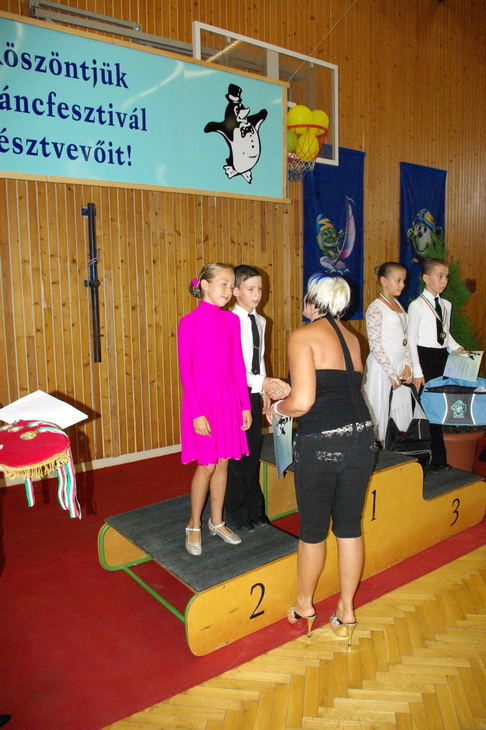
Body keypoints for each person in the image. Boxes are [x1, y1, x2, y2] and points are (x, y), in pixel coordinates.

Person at [268, 274, 376, 645]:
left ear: (313, 301)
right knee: (349, 527)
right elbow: (338, 390)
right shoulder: (353, 338)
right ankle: (346, 610)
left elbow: (303, 402)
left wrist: (276, 409)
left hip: (322, 444)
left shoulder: (303, 336)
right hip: (362, 440)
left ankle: (304, 606)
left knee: (313, 531)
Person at [178, 263, 252, 556]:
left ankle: (217, 521)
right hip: (201, 402)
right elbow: (186, 371)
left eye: (231, 285)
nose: (229, 291)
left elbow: (237, 365)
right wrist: (197, 412)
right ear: (204, 285)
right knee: (207, 464)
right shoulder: (188, 322)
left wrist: (244, 405)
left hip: (228, 400)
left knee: (223, 462)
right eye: (223, 284)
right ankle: (194, 524)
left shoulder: (231, 321)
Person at [224, 265, 291, 531]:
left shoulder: (260, 321)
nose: (257, 294)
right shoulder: (228, 322)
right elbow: (231, 368)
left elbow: (258, 359)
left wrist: (262, 390)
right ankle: (235, 511)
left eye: (260, 289)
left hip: (252, 393)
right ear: (235, 291)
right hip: (232, 395)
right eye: (250, 289)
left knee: (252, 453)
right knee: (236, 457)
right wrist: (262, 382)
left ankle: (255, 508)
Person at [408, 258, 464, 472]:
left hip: (441, 359)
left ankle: (439, 459)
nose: (444, 281)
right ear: (426, 278)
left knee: (439, 409)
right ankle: (425, 458)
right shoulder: (417, 306)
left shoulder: (446, 305)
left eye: (446, 277)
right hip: (424, 359)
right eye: (440, 276)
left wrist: (457, 347)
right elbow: (411, 340)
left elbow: (445, 334)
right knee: (425, 411)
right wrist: (417, 371)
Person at [362, 262, 413, 444]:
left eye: (403, 281)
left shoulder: (398, 305)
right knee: (380, 412)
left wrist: (408, 365)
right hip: (382, 368)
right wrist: (391, 373)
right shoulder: (376, 308)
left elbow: (405, 338)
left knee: (397, 416)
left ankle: (395, 450)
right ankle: (378, 450)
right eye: (398, 280)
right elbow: (375, 345)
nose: (402, 285)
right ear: (384, 281)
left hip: (399, 365)